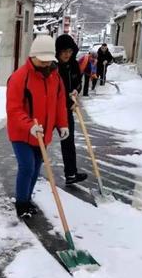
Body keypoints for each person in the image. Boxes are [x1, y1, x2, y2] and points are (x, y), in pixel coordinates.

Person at [6, 35, 69, 219]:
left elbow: (59, 103)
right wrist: (28, 126)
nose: (46, 63)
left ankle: (27, 198)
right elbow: (13, 108)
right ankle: (21, 203)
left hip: (44, 133)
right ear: (33, 55)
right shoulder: (19, 77)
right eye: (42, 60)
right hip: (22, 133)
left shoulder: (54, 77)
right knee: (27, 166)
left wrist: (62, 124)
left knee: (36, 167)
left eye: (49, 60)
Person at [55, 34, 88, 185]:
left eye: (69, 51)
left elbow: (78, 82)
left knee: (68, 141)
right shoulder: (53, 67)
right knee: (41, 141)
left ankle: (71, 174)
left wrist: (76, 91)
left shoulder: (74, 65)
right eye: (63, 52)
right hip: (51, 110)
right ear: (58, 52)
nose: (67, 54)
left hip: (66, 110)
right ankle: (34, 172)